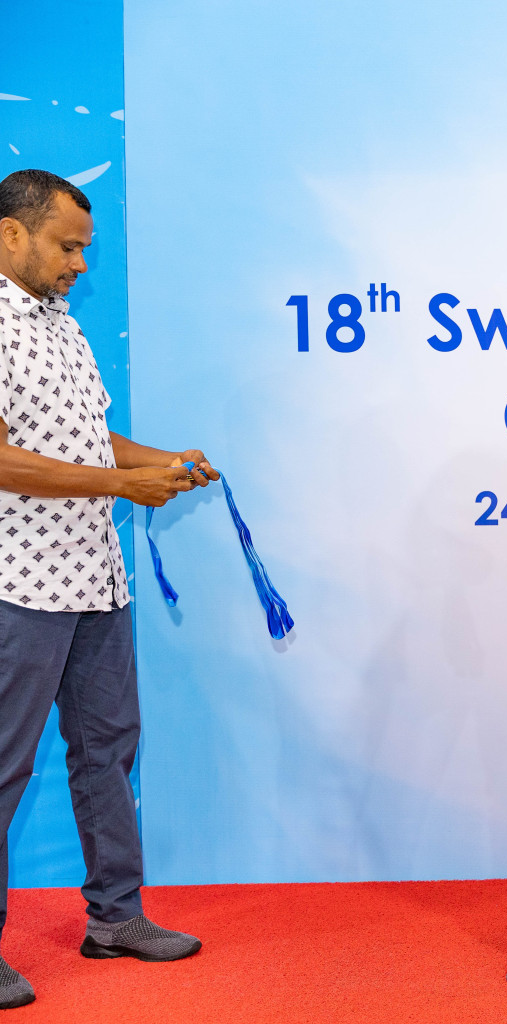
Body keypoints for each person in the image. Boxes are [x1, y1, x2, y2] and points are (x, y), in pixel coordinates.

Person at [0, 169, 215, 1011]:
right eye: (68, 246)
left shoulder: (59, 325)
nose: (81, 264)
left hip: (93, 575)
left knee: (108, 751)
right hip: (17, 582)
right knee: (4, 768)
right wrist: (119, 487)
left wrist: (156, 463)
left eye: (84, 249)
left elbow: (91, 438)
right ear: (12, 234)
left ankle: (115, 919)